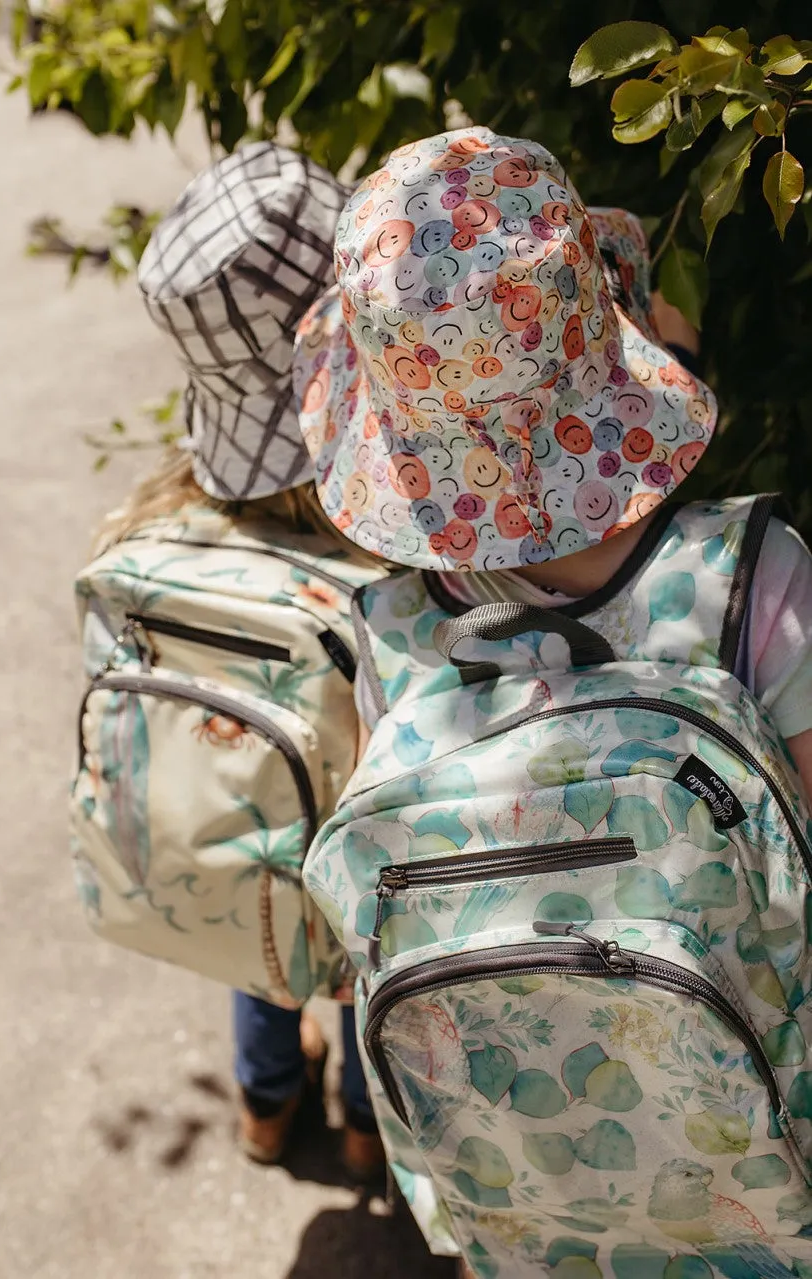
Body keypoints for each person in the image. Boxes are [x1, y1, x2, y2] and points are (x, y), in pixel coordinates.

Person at [292, 125, 812, 1271]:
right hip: (761, 1162)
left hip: (523, 1186)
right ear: (606, 326)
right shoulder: (751, 585)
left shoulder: (390, 635)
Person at [96, 140, 386, 1177]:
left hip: (233, 868)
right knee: (353, 923)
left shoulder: (154, 527)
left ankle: (265, 1106)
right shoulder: (384, 565)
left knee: (260, 890)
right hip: (354, 875)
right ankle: (364, 1125)